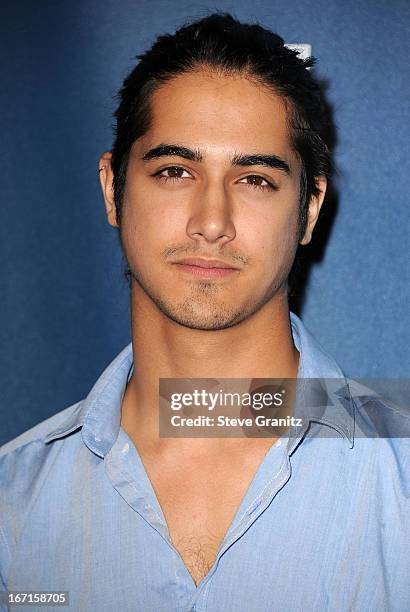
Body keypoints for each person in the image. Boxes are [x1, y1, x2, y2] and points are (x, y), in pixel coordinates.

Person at [1, 12, 409, 612]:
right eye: (174, 171)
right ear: (113, 189)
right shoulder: (12, 508)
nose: (211, 222)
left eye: (256, 179)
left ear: (311, 207)